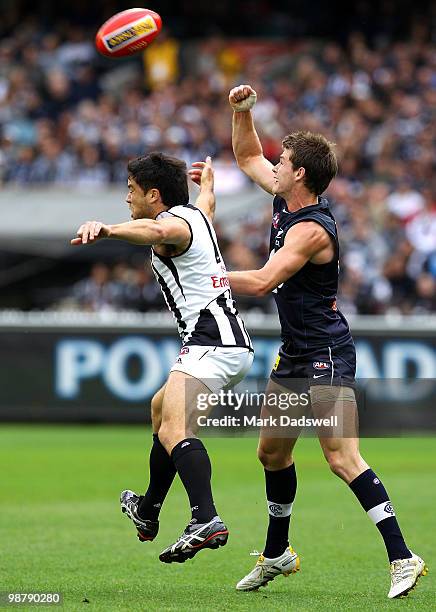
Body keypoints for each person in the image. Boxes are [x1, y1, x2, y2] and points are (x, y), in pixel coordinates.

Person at [226, 84, 427, 598]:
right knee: (272, 453)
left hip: (326, 353)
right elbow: (247, 152)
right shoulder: (282, 191)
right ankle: (277, 554)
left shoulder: (311, 230)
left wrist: (211, 276)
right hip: (296, 350)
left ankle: (403, 557)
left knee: (340, 457)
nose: (276, 162)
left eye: (284, 159)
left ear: (301, 175)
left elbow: (266, 279)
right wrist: (242, 111)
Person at [71, 152, 253, 563]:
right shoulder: (197, 212)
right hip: (226, 344)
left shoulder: (171, 225)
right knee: (160, 409)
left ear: (154, 194)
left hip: (211, 343)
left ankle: (205, 518)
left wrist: (107, 229)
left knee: (175, 429)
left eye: (131, 190)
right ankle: (148, 509)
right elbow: (206, 201)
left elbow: (156, 227)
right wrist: (208, 183)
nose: (126, 198)